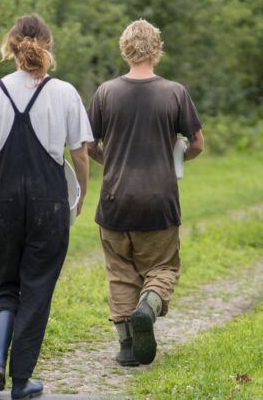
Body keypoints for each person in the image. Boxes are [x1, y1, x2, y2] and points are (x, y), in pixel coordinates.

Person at [0, 14, 92, 400]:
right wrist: (82, 193)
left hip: (0, 200)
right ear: (48, 46)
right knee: (37, 287)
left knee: (3, 282)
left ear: (10, 45)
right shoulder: (66, 93)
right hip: (48, 204)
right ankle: (21, 380)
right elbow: (81, 153)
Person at [86, 19, 203, 367]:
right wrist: (176, 158)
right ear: (157, 50)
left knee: (120, 270)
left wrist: (111, 162)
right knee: (162, 266)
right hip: (159, 200)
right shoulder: (175, 92)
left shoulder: (105, 92)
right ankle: (148, 306)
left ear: (124, 49)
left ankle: (126, 347)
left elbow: (89, 145)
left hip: (114, 200)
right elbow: (197, 143)